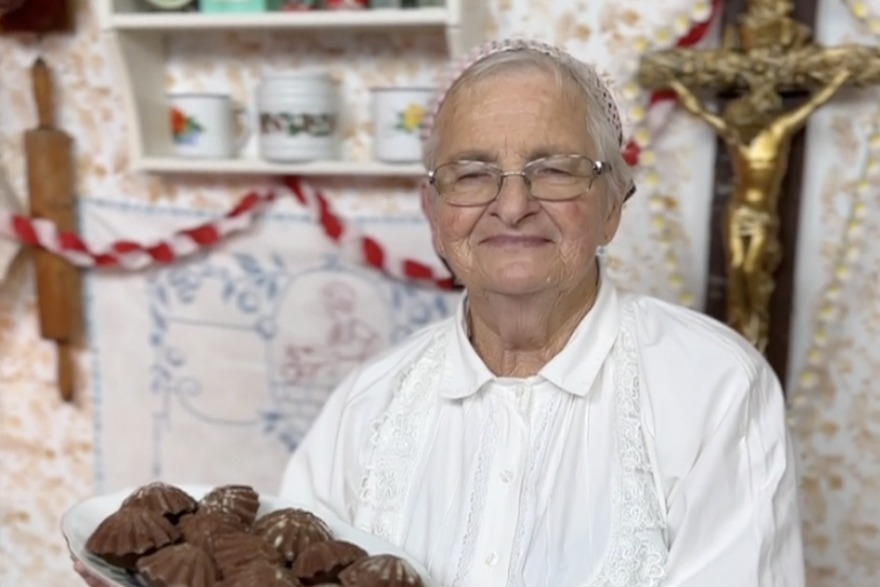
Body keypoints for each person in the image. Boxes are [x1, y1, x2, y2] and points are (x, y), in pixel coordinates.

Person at [75, 38, 804, 587]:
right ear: (433, 209)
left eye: (552, 169)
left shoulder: (714, 390)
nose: (512, 204)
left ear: (614, 201)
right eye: (472, 173)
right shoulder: (368, 404)